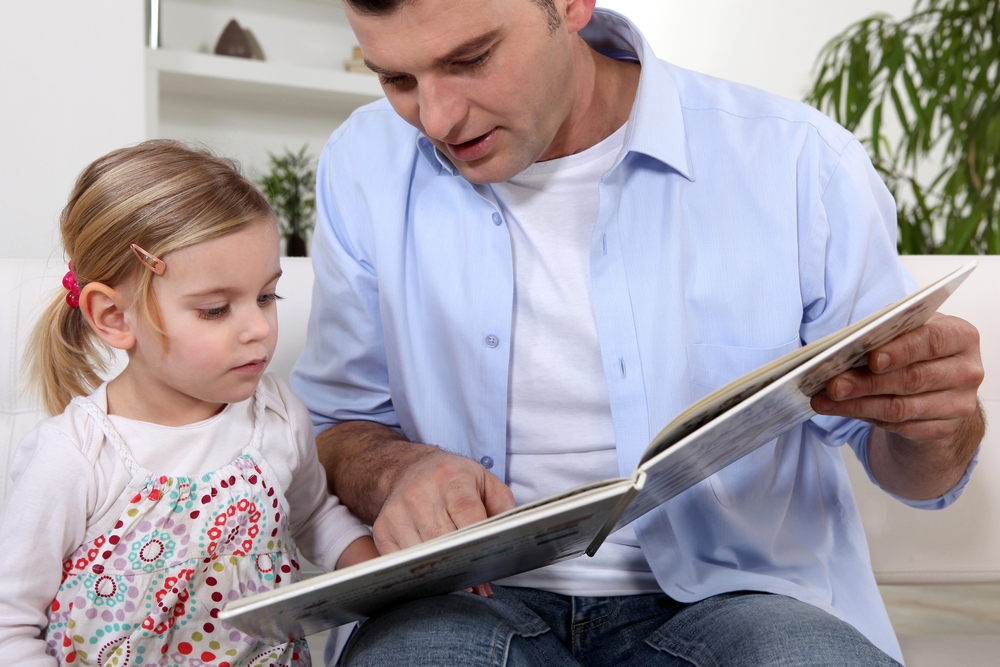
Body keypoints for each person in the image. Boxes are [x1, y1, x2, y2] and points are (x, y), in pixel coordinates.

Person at [290, 1, 985, 665]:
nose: (436, 117)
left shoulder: (798, 163)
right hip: (458, 602)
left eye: (471, 59)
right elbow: (333, 427)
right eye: (397, 79)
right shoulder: (365, 164)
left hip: (747, 596)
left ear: (572, 4)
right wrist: (394, 472)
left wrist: (934, 425)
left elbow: (917, 475)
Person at [0, 140, 380, 666]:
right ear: (113, 317)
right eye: (215, 309)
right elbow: (9, 630)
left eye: (267, 296)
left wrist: (402, 577)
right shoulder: (73, 458)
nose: (258, 329)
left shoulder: (275, 416)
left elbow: (314, 516)